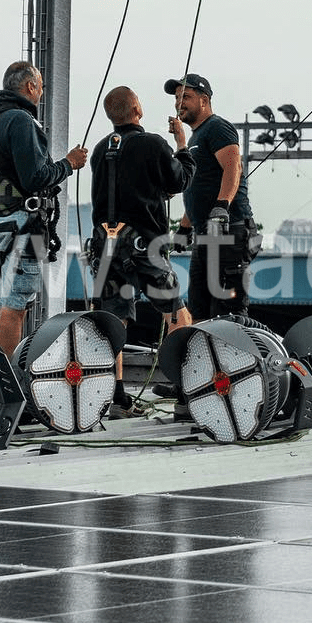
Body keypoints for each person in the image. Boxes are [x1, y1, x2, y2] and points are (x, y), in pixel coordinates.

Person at [87, 86, 195, 413]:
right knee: (176, 312)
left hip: (106, 246)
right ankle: (188, 390)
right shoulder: (153, 144)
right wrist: (181, 143)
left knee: (114, 319)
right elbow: (179, 180)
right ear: (138, 109)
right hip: (144, 245)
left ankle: (116, 397)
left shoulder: (100, 149)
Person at [0, 61, 88, 358]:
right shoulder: (21, 121)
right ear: (30, 86)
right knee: (16, 307)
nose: (41, 92)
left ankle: (0, 375)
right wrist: (69, 164)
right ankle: (4, 382)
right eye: (41, 86)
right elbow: (35, 178)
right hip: (22, 225)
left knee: (6, 304)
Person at [165, 72, 257, 319]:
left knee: (227, 313)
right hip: (206, 236)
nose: (178, 102)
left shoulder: (217, 127)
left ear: (204, 100)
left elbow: (233, 167)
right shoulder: (196, 137)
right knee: (199, 311)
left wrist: (222, 207)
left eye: (186, 96)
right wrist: (184, 229)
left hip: (229, 232)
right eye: (176, 98)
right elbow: (198, 189)